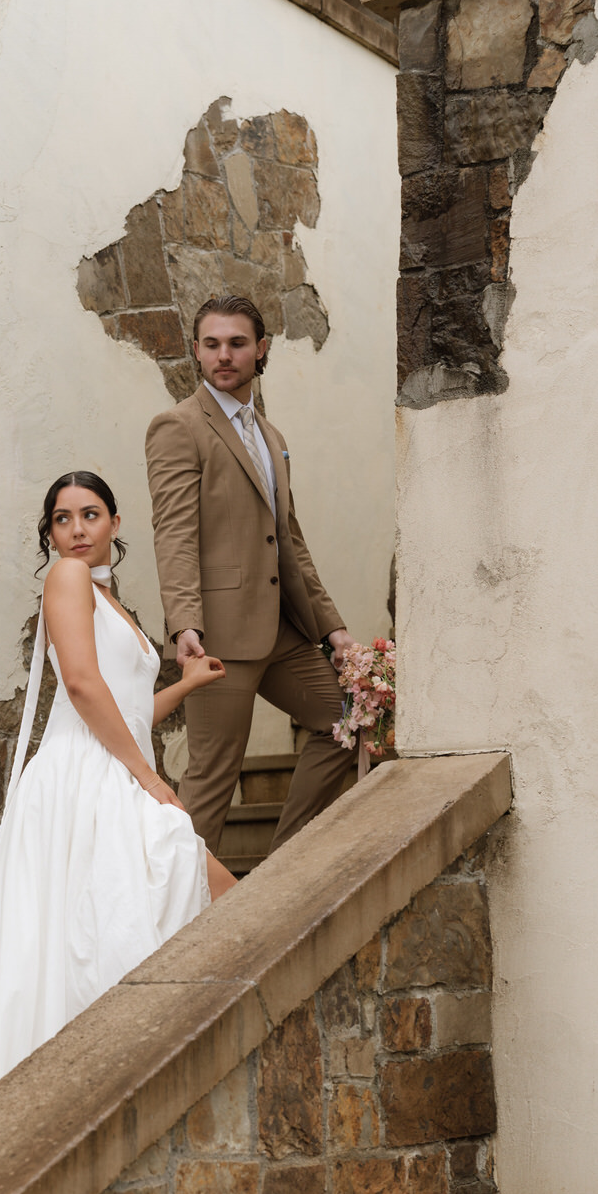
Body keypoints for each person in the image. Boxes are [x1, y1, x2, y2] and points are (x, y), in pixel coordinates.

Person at [0, 471, 233, 1192]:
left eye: (91, 514)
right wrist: (151, 782)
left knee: (162, 903)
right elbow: (86, 692)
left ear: (116, 521)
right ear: (51, 535)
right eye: (63, 519)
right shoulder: (66, 578)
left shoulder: (104, 597)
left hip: (104, 764)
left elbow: (116, 707)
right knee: (192, 884)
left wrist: (183, 687)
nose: (78, 530)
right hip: (85, 781)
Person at [145, 294, 357, 858]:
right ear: (195, 351)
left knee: (348, 717)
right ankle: (176, 924)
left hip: (282, 631)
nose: (224, 355)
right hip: (216, 635)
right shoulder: (177, 427)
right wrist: (184, 622)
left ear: (261, 350)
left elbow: (291, 543)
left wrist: (333, 630)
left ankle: (281, 862)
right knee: (211, 783)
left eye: (237, 343)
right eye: (211, 344)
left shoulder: (272, 437)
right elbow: (174, 534)